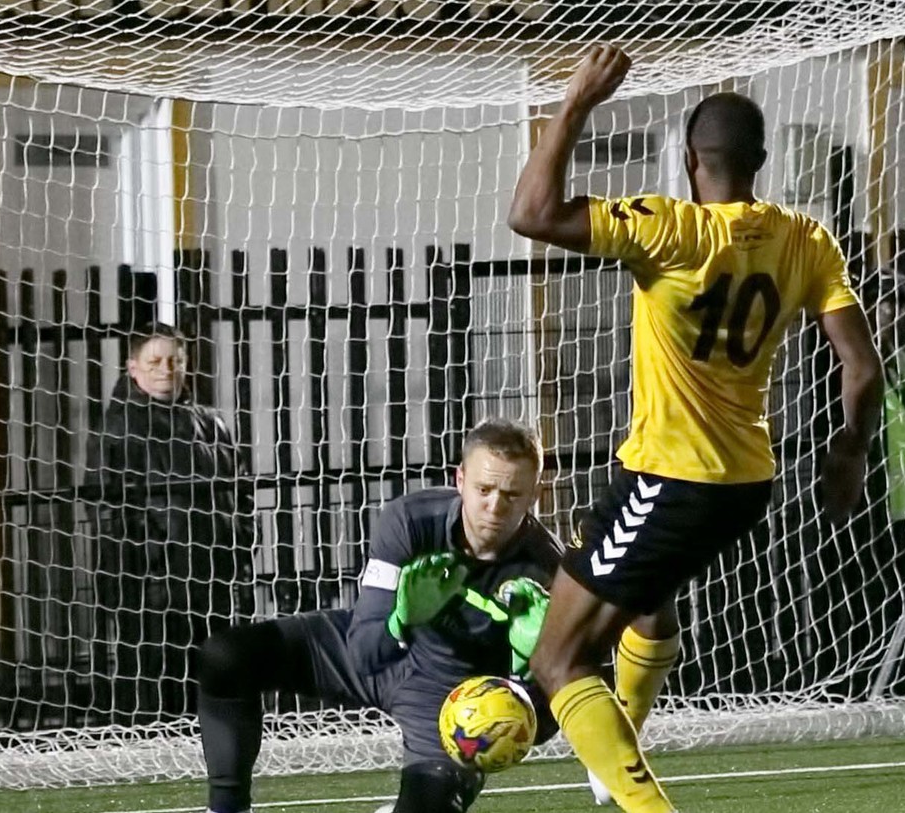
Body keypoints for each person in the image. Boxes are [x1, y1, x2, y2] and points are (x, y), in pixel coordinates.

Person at [506, 45, 884, 813]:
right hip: (745, 483)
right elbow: (863, 368)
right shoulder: (804, 239)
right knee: (646, 604)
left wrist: (575, 102)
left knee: (556, 658)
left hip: (669, 477)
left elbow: (531, 214)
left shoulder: (667, 229)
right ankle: (615, 761)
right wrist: (847, 455)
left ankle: (645, 803)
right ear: (761, 162)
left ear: (689, 161)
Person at [194, 418, 562, 813]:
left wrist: (527, 670)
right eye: (484, 489)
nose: (494, 507)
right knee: (225, 656)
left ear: (536, 494)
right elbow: (364, 651)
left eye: (512, 494)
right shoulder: (410, 520)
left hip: (450, 701)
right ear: (459, 480)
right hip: (376, 651)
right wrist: (404, 618)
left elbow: (550, 720)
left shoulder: (552, 573)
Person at [89, 322, 253, 725]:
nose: (165, 370)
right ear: (133, 367)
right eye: (154, 361)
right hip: (151, 585)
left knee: (212, 681)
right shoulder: (118, 429)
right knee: (153, 685)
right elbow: (108, 508)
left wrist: (241, 540)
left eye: (174, 361)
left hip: (212, 574)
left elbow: (240, 489)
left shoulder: (212, 423)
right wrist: (147, 563)